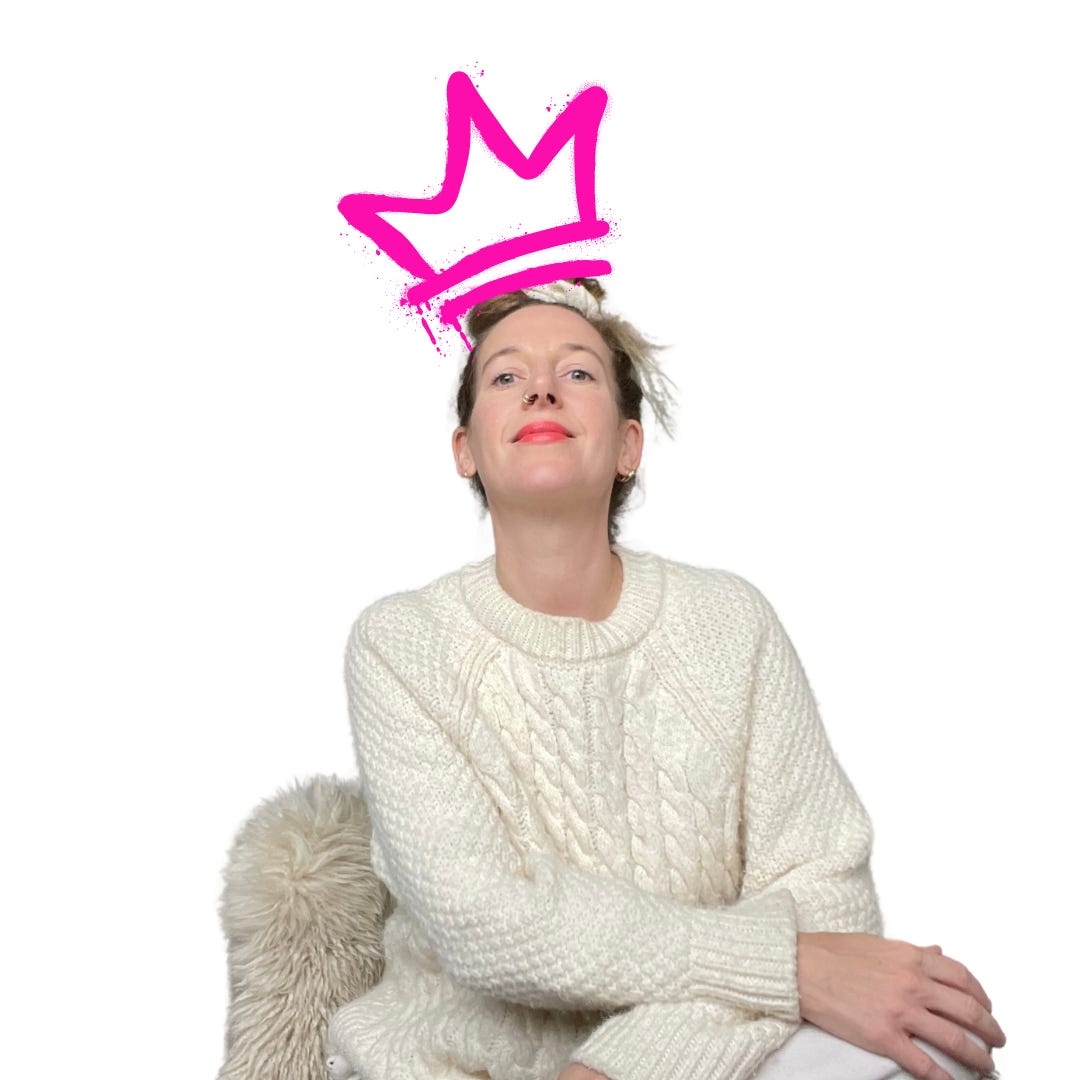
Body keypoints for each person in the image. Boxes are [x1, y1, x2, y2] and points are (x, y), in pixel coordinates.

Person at [325, 280, 1006, 1080]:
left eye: (578, 372)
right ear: (465, 449)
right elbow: (487, 923)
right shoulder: (403, 642)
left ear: (628, 446)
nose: (541, 388)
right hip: (459, 1064)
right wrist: (785, 966)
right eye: (506, 376)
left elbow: (828, 898)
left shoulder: (728, 622)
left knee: (933, 1047)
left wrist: (621, 1066)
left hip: (701, 1054)